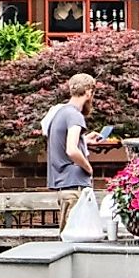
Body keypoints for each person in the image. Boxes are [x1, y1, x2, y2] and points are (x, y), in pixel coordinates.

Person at [45, 72, 112, 241]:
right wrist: (88, 168)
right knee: (75, 243)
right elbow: (71, 150)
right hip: (74, 187)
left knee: (68, 240)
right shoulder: (75, 115)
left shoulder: (60, 113)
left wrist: (85, 140)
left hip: (64, 185)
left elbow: (63, 142)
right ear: (89, 92)